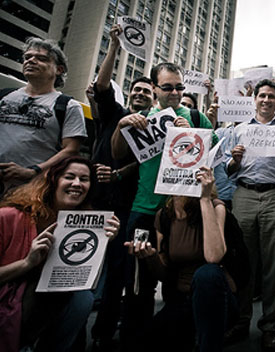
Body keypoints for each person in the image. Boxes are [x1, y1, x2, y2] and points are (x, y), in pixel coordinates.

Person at [111, 62, 216, 352]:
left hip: (182, 214)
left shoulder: (194, 115)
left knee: (179, 284)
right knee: (138, 282)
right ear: (155, 88)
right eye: (168, 87)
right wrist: (122, 126)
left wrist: (194, 132)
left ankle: (177, 337)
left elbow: (215, 153)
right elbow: (118, 153)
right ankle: (135, 339)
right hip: (145, 210)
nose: (175, 92)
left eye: (179, 87)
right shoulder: (141, 117)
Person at [0, 156, 120, 352]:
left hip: (44, 306)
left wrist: (103, 243)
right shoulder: (8, 216)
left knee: (83, 298)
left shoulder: (89, 226)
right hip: (1, 301)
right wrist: (26, 263)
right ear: (53, 180)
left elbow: (84, 281)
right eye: (70, 177)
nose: (77, 184)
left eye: (84, 179)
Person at [124, 166, 240, 351]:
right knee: (145, 341)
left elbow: (213, 256)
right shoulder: (164, 216)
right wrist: (150, 256)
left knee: (207, 273)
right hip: (182, 299)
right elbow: (165, 273)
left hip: (217, 298)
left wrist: (204, 198)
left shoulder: (216, 207)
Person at [89, 23, 152, 351]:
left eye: (147, 93)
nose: (141, 95)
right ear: (128, 94)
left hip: (125, 205)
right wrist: (114, 44)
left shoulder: (154, 125)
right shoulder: (113, 112)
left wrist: (118, 174)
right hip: (93, 201)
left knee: (117, 270)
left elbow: (144, 164)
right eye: (137, 90)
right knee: (83, 261)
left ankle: (102, 331)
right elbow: (101, 85)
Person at [223, 79, 275, 351]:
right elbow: (228, 170)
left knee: (274, 262)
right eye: (261, 96)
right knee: (243, 260)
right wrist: (235, 160)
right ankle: (241, 321)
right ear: (254, 100)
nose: (266, 100)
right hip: (244, 194)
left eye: (271, 96)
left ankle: (270, 326)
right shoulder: (239, 130)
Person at [0, 37, 86, 184]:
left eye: (41, 58)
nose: (30, 61)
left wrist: (33, 171)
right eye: (27, 57)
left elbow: (70, 150)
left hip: (33, 189)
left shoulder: (68, 106)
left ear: (59, 69)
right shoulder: (0, 97)